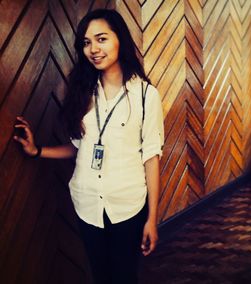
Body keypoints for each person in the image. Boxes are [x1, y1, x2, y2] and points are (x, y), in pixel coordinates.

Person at [14, 9, 164, 284]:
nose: (93, 49)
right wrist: (37, 151)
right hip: (87, 203)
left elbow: (151, 158)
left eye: (101, 39)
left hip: (128, 205)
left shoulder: (146, 96)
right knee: (100, 276)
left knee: (124, 277)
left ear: (120, 39)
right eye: (86, 42)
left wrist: (152, 219)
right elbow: (79, 148)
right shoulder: (82, 92)